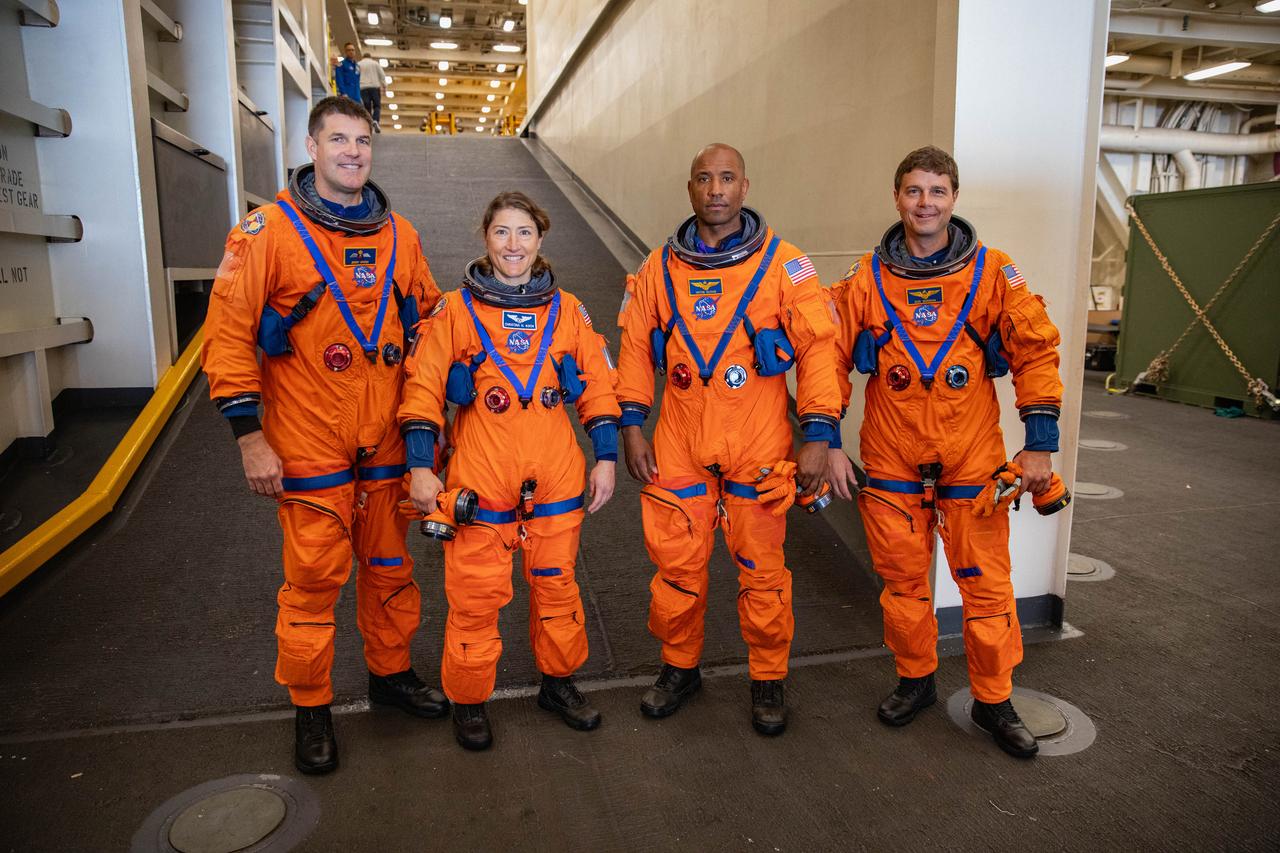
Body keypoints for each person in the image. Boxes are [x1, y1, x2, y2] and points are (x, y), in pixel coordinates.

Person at [202, 96, 447, 775]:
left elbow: (428, 319)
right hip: (307, 439)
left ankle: (391, 674)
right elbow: (227, 336)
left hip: (387, 440)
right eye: (338, 139)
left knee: (391, 567)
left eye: (363, 140)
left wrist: (429, 416)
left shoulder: (400, 233)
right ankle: (311, 703)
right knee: (313, 578)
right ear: (312, 147)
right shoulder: (265, 232)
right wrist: (249, 436)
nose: (353, 152)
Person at [827, 145, 1064, 759]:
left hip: (971, 458)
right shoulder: (866, 279)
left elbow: (1035, 350)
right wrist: (824, 437)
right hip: (891, 457)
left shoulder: (992, 272)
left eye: (937, 191)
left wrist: (1039, 446)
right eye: (913, 191)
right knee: (904, 585)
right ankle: (915, 680)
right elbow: (825, 355)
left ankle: (994, 699)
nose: (925, 203)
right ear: (897, 198)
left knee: (985, 588)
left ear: (954, 197)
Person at [615, 143, 840, 736]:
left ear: (745, 187)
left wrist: (817, 433)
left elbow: (819, 351)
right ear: (690, 189)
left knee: (763, 573)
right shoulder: (660, 268)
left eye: (726, 178)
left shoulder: (785, 264)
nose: (715, 189)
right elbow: (636, 348)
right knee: (676, 568)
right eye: (703, 179)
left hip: (759, 443)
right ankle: (679, 667)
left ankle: (767, 678)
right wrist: (631, 426)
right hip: (679, 441)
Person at [401, 191, 620, 751]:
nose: (513, 244)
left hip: (556, 475)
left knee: (558, 590)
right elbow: (423, 386)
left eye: (524, 233)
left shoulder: (568, 310)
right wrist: (422, 468)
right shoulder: (454, 310)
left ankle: (559, 683)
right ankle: (470, 701)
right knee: (474, 598)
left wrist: (606, 458)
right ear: (485, 238)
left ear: (540, 240)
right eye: (502, 232)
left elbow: (597, 384)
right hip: (480, 477)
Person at [357, 52, 387, 132]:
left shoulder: (359, 64)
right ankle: (375, 120)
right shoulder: (375, 64)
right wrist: (384, 86)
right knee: (377, 106)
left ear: (363, 57)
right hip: (374, 87)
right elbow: (382, 75)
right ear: (370, 57)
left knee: (367, 106)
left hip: (363, 88)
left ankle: (368, 123)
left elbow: (355, 76)